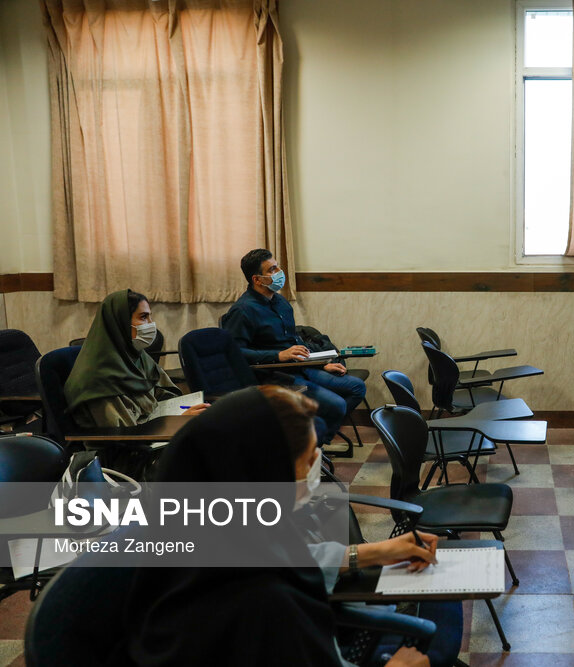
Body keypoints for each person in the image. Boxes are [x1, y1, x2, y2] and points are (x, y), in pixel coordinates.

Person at [114, 385, 438, 666]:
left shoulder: (203, 528)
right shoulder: (264, 605)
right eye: (308, 461)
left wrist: (373, 552)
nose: (315, 471)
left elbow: (292, 558)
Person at [221, 249, 366, 439]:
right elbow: (235, 352)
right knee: (336, 405)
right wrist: (278, 355)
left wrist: (321, 364)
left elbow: (294, 341)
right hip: (276, 376)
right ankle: (307, 444)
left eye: (277, 266)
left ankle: (314, 437)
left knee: (356, 387)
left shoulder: (280, 302)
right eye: (272, 270)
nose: (279, 272)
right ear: (257, 279)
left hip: (302, 367)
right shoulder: (243, 310)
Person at [64, 289, 209, 428]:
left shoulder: (137, 357)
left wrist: (182, 413)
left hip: (154, 430)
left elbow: (163, 393)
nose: (151, 324)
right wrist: (177, 422)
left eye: (150, 316)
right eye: (143, 317)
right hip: (130, 442)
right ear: (120, 322)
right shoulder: (98, 379)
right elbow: (124, 434)